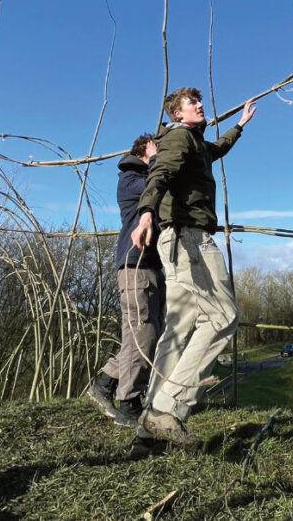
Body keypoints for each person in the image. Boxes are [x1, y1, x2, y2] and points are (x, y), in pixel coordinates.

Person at [130, 87, 256, 454]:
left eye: (199, 101)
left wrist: (239, 126)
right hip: (190, 238)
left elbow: (215, 151)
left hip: (176, 239)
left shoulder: (195, 143)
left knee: (179, 328)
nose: (200, 105)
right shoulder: (177, 137)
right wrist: (147, 212)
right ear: (177, 114)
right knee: (223, 317)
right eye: (191, 103)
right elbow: (162, 172)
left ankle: (148, 434)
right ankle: (167, 408)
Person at [87, 134, 164, 427]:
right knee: (141, 333)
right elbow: (154, 185)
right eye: (156, 149)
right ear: (145, 151)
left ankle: (106, 383)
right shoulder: (131, 179)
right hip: (135, 264)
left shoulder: (145, 176)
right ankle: (128, 403)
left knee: (146, 334)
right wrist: (157, 158)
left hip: (150, 264)